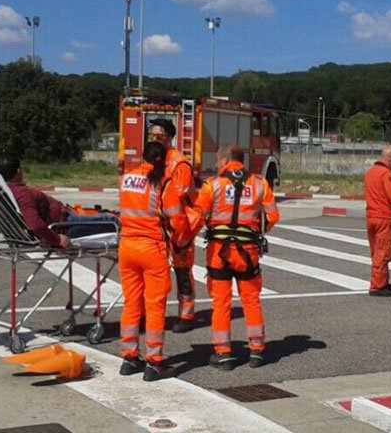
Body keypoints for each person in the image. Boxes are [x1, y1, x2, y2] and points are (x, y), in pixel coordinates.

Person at [195, 144, 279, 370]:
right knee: (251, 301)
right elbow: (272, 216)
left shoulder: (211, 185)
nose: (216, 165)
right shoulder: (260, 184)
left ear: (224, 160)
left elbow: (199, 216)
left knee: (221, 303)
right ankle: (257, 351)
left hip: (218, 253)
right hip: (248, 253)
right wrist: (256, 232)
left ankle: (223, 354)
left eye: (217, 161)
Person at [117, 141, 194, 381]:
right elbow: (178, 218)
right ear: (162, 160)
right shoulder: (163, 183)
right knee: (154, 306)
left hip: (127, 247)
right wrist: (181, 237)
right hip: (152, 249)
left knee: (131, 304)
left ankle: (129, 357)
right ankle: (154, 361)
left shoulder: (126, 179)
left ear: (143, 157)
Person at [0, 155, 118, 249]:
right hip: (65, 226)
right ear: (18, 171)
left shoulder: (5, 192)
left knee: (104, 215)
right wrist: (57, 239)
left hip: (65, 220)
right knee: (113, 220)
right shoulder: (22, 194)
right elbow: (34, 224)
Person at [147, 118, 197, 333]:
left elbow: (178, 198)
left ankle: (186, 315)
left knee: (182, 271)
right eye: (152, 137)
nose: (155, 140)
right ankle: (153, 313)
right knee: (155, 271)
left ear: (170, 138)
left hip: (180, 225)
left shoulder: (179, 163)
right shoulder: (155, 160)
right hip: (159, 224)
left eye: (159, 137)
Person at [363, 146, 391, 297]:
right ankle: (377, 286)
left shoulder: (370, 173)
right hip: (384, 217)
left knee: (376, 252)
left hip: (371, 216)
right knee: (383, 252)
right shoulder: (386, 174)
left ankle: (382, 281)